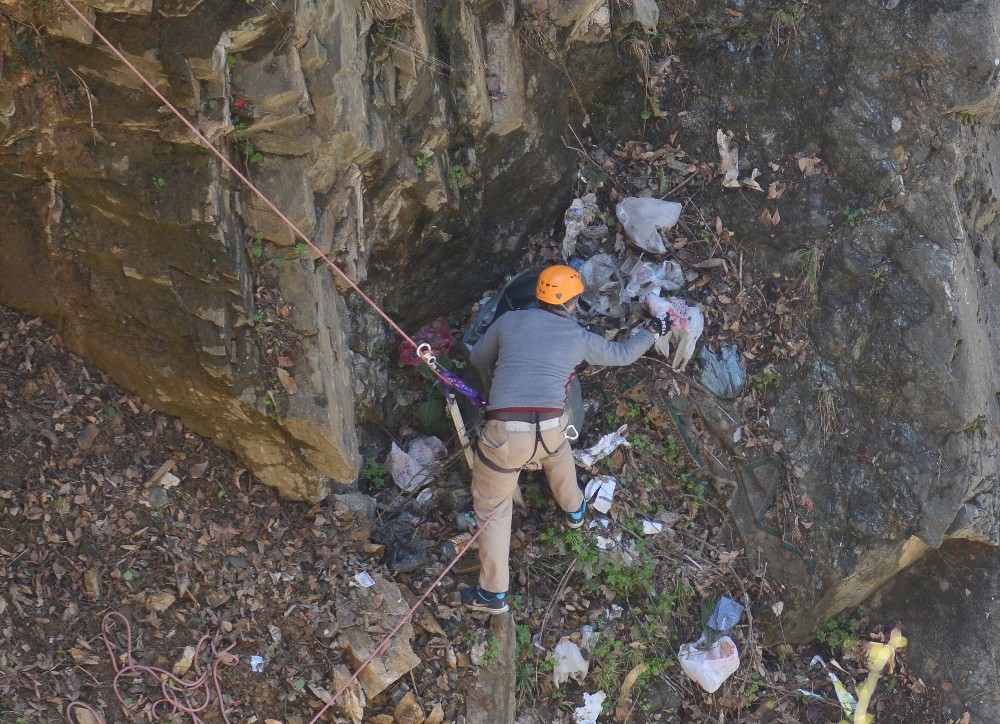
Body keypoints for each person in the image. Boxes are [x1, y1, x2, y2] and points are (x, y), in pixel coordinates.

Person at [460, 264, 669, 613]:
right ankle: (574, 511)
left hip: (506, 435)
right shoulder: (577, 337)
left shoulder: (509, 322)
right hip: (552, 429)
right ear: (572, 304)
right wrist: (654, 328)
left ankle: (493, 594)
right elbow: (623, 354)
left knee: (492, 508)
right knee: (558, 456)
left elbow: (479, 356)